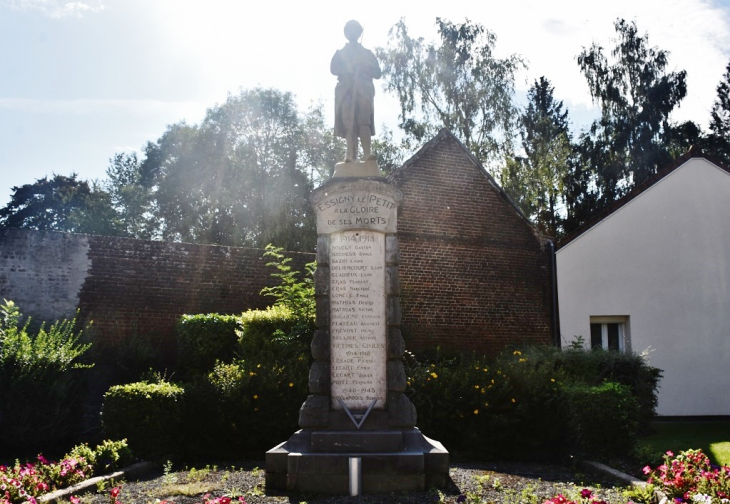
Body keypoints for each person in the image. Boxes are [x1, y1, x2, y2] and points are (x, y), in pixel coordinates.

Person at [331, 20, 382, 162]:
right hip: (345, 88)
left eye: (355, 30)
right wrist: (351, 65)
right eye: (350, 30)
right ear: (346, 33)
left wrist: (365, 65)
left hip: (363, 88)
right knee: (349, 120)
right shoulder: (340, 54)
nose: (352, 33)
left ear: (360, 33)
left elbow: (377, 73)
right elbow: (333, 70)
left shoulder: (367, 54)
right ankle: (351, 155)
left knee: (363, 120)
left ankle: (367, 154)